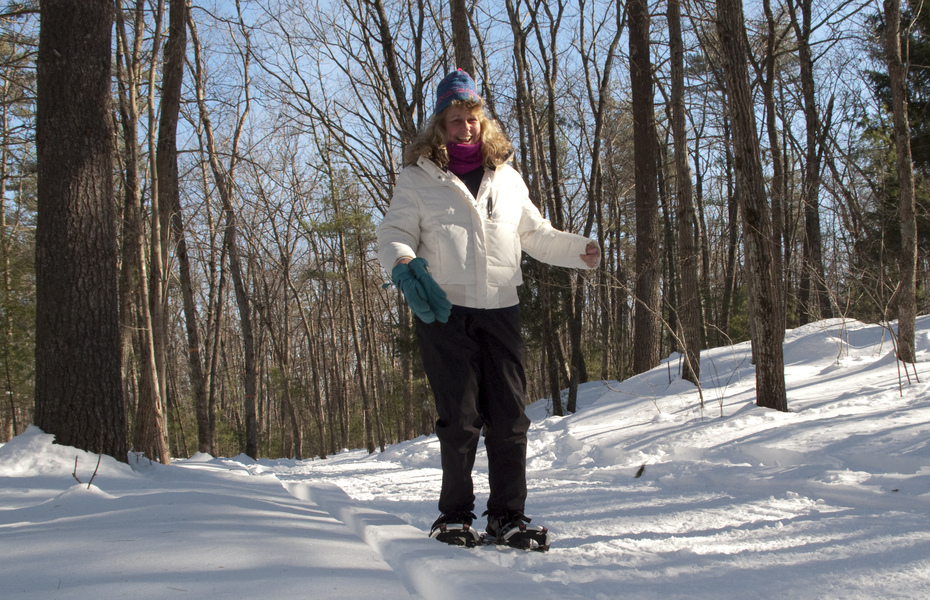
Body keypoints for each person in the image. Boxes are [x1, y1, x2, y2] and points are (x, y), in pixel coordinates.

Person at [378, 69, 600, 548]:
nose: (466, 127)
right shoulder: (417, 179)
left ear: (484, 122)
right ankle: (454, 516)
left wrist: (578, 249)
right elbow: (394, 232)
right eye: (456, 120)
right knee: (459, 419)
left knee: (510, 418)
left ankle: (507, 517)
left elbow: (535, 234)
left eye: (472, 118)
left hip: (501, 308)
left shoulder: (508, 178)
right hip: (445, 312)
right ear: (440, 126)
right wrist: (404, 263)